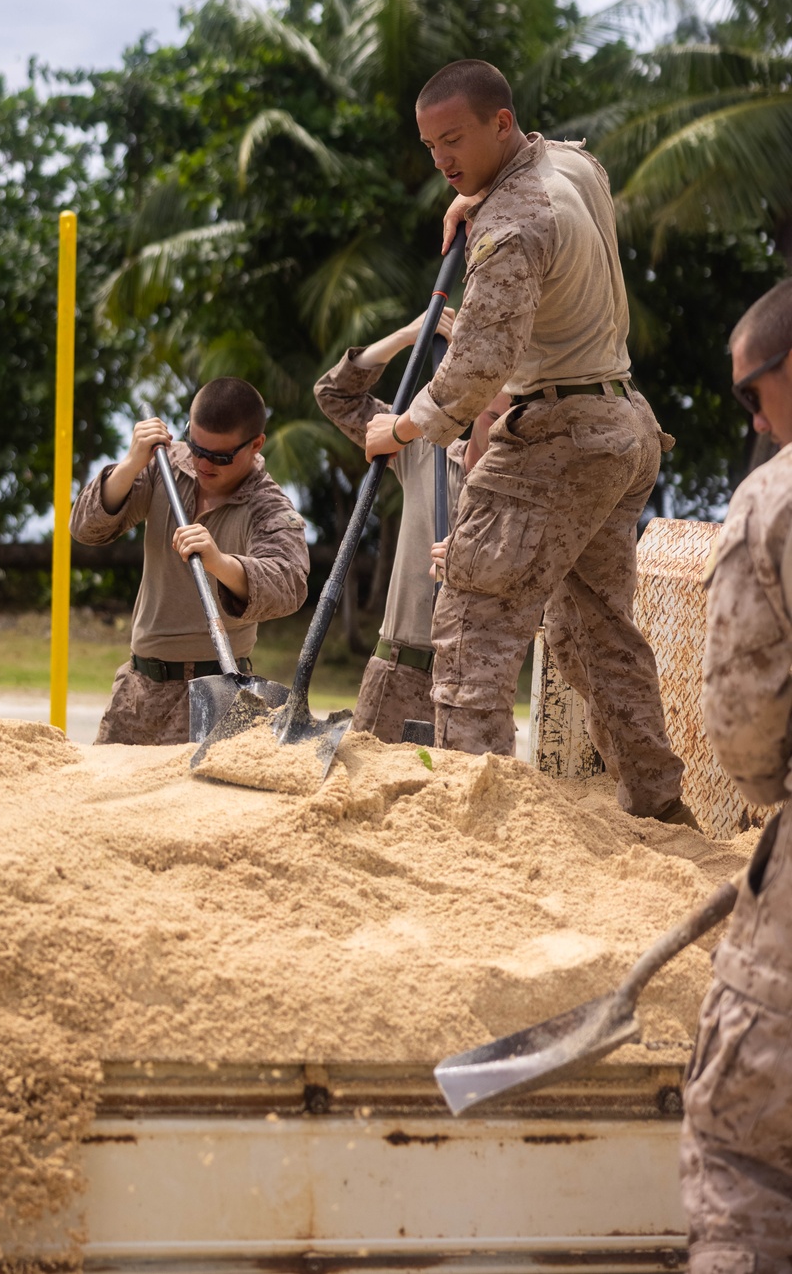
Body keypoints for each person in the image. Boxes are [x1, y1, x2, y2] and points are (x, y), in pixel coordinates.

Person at [365, 57, 686, 821]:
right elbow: (547, 163)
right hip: (623, 424)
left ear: (500, 125)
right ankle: (660, 805)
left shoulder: (511, 228)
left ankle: (473, 820)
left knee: (473, 626)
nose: (443, 160)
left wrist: (404, 425)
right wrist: (475, 197)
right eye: (431, 146)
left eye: (456, 141)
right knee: (595, 636)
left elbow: (477, 370)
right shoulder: (571, 165)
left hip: (559, 435)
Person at [682, 279, 792, 1273]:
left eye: (751, 395)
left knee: (741, 1163)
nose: (753, 421)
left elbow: (746, 739)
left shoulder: (775, 498)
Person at [69, 377, 310, 745]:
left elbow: (289, 584)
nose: (202, 463)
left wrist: (219, 562)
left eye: (219, 457)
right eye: (196, 446)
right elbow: (85, 528)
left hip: (216, 695)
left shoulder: (268, 507)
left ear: (256, 444)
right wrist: (132, 462)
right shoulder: (166, 465)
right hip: (138, 688)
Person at [314, 308, 507, 741]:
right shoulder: (423, 447)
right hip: (397, 672)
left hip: (473, 684)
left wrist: (476, 570)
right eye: (494, 413)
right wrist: (407, 336)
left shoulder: (530, 494)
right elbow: (336, 396)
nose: (504, 426)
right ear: (473, 402)